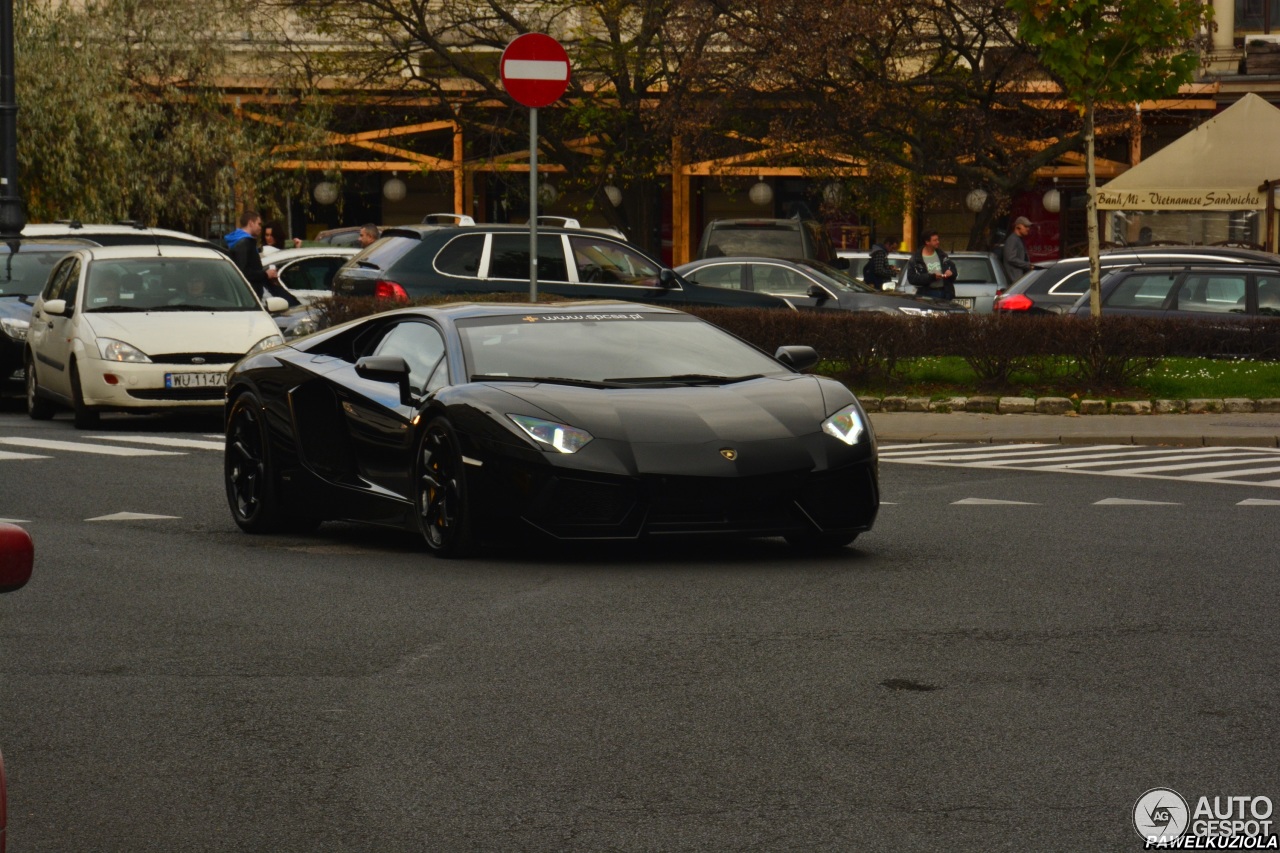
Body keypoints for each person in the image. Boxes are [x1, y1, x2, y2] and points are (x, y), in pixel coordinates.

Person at [225, 210, 284, 301]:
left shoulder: (243, 242)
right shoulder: (244, 243)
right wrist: (265, 274)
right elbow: (243, 272)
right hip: (248, 298)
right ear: (251, 223)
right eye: (259, 224)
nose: (260, 228)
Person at [906, 230, 956, 300]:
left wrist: (951, 272)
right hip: (927, 294)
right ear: (927, 242)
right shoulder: (916, 259)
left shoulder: (942, 255)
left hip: (945, 293)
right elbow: (912, 278)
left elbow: (953, 268)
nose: (938, 242)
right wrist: (932, 277)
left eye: (938, 239)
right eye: (935, 240)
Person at [1002, 216, 1034, 284]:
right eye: (1025, 226)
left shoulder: (1019, 239)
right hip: (1014, 280)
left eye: (1028, 227)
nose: (1028, 229)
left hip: (1018, 279)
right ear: (1018, 226)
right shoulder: (1012, 239)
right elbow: (1011, 258)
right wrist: (1028, 265)